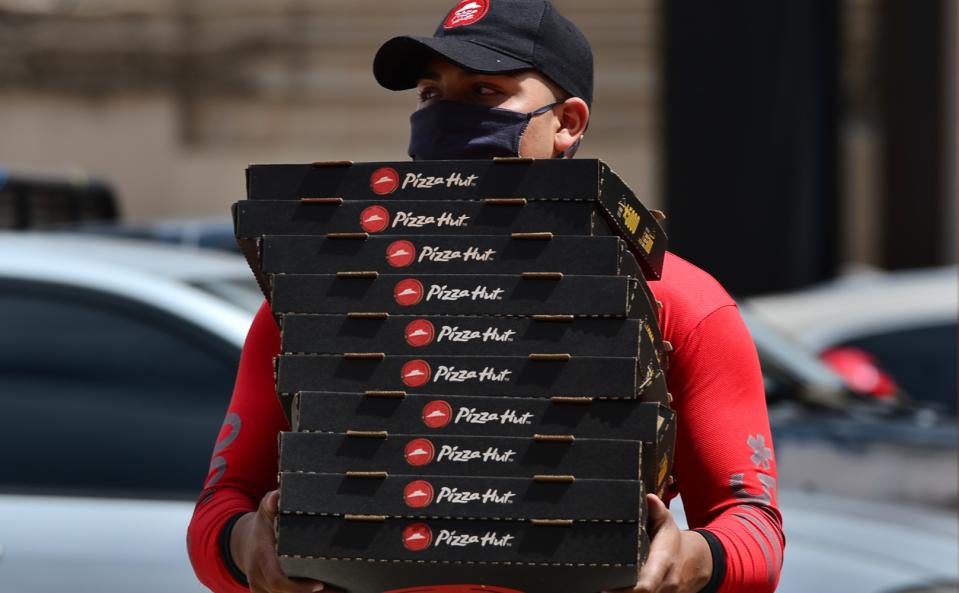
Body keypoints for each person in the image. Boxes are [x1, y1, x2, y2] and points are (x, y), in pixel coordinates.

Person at [187, 2, 785, 593]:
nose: (445, 116)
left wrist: (689, 559)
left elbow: (754, 529)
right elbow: (219, 508)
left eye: (482, 92)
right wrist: (247, 543)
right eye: (430, 94)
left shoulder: (677, 300)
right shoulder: (324, 293)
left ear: (568, 123)